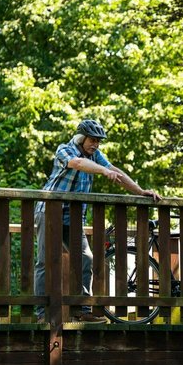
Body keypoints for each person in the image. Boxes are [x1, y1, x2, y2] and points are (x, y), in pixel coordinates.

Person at [34, 119, 160, 323]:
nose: (95, 145)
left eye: (98, 142)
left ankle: (82, 311)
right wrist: (103, 171)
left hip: (73, 218)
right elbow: (78, 163)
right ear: (81, 138)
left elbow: (115, 170)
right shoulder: (65, 149)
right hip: (50, 211)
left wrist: (140, 191)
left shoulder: (96, 155)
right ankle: (42, 315)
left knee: (86, 259)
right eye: (92, 140)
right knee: (46, 261)